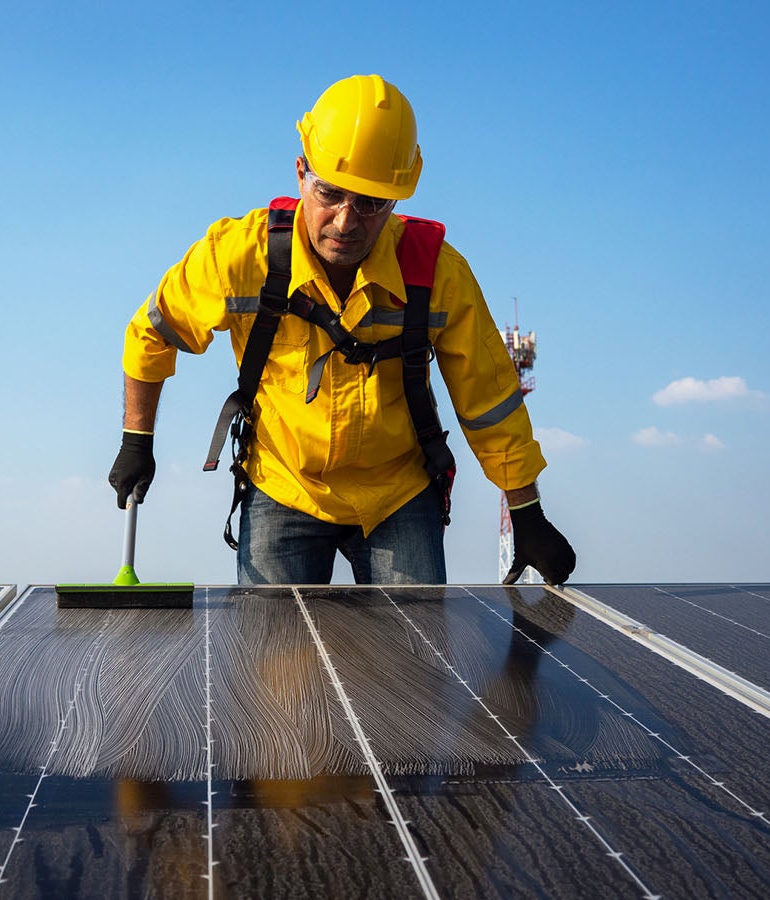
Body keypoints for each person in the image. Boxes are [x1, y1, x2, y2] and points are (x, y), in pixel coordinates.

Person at [108, 74, 575, 586]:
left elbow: (489, 398)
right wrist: (137, 438)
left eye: (371, 203)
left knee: (412, 661)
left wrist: (525, 508)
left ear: (397, 200)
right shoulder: (240, 257)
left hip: (397, 492)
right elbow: (152, 332)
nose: (347, 221)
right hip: (285, 484)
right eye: (330, 193)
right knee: (275, 659)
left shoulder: (436, 274)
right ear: (301, 172)